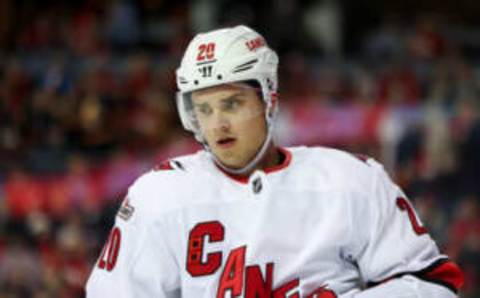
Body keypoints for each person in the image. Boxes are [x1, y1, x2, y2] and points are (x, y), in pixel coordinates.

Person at [85, 25, 464, 298]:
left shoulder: (351, 180)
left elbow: (434, 283)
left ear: (269, 100)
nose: (217, 123)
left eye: (232, 103)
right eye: (204, 108)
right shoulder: (159, 194)